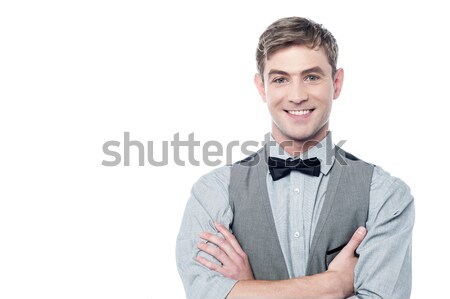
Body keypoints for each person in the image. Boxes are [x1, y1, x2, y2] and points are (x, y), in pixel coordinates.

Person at [176, 16, 414, 299]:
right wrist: (334, 284)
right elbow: (203, 293)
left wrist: (247, 289)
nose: (297, 95)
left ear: (336, 83)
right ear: (262, 87)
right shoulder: (213, 192)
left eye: (311, 77)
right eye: (280, 79)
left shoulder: (386, 196)